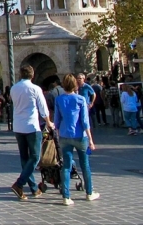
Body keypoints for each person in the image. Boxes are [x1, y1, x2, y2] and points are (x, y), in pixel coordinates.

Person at [10, 65, 55, 200]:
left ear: (20, 74)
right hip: (32, 127)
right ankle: (19, 183)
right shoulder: (35, 89)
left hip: (18, 126)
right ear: (32, 75)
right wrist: (48, 122)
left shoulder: (14, 88)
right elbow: (43, 108)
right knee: (35, 157)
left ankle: (34, 188)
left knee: (24, 158)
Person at [54, 73, 99, 205]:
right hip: (80, 136)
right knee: (85, 165)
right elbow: (85, 122)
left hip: (64, 135)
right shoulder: (80, 99)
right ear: (75, 85)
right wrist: (91, 140)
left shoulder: (59, 99)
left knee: (66, 167)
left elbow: (56, 120)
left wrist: (58, 134)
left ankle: (66, 196)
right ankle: (89, 192)